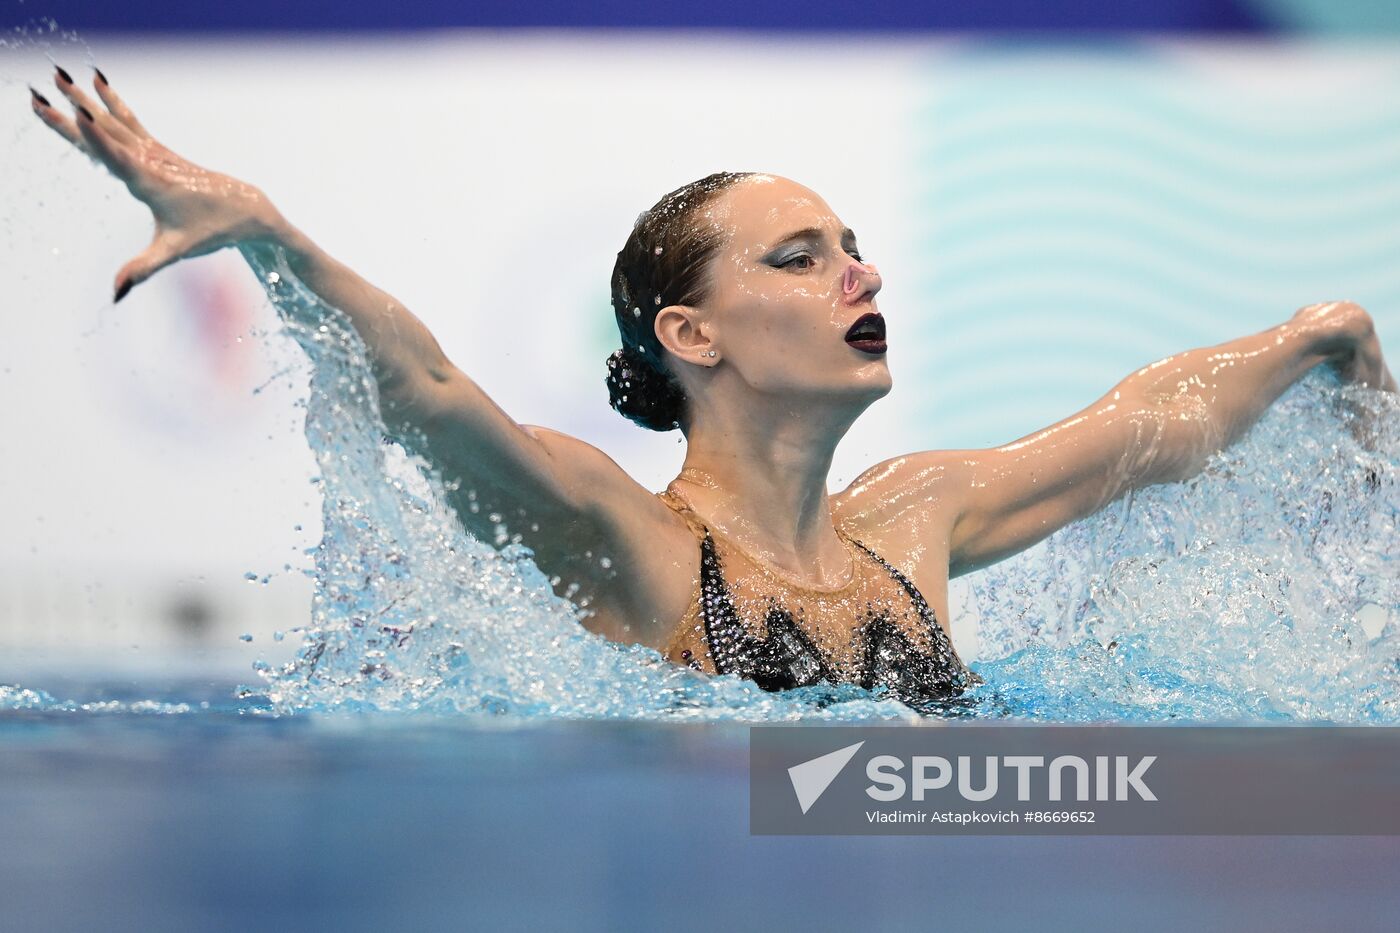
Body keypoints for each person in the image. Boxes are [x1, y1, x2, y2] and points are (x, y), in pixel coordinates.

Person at [29, 67, 1396, 709]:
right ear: (693, 332)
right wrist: (272, 235)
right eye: (800, 260)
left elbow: (1139, 427)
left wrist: (1309, 339)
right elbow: (432, 388)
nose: (858, 274)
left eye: (852, 247)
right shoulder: (633, 538)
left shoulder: (913, 516)